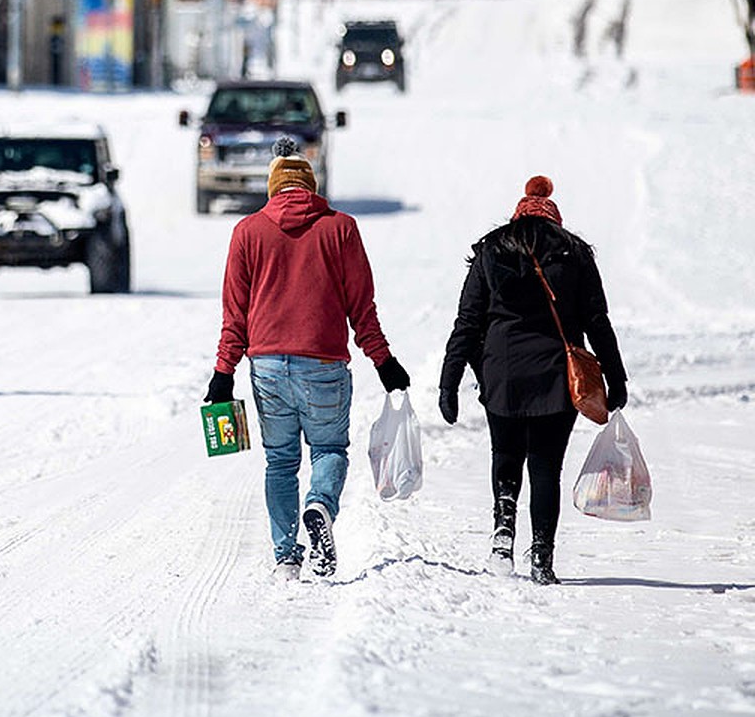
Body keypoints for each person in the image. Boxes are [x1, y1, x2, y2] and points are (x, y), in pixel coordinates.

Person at [205, 137, 410, 580]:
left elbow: (234, 313)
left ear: (273, 188)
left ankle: (286, 558)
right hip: (324, 364)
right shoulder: (341, 228)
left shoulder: (247, 232)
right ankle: (320, 504)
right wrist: (383, 361)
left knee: (279, 461)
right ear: (311, 187)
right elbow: (362, 306)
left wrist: (223, 372)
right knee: (329, 449)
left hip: (268, 367)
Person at [438, 176, 627, 585]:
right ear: (554, 218)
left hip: (501, 374)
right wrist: (616, 377)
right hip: (556, 377)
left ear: (518, 215)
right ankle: (542, 556)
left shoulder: (491, 250)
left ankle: (502, 538)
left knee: (505, 456)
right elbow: (597, 321)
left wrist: (448, 382)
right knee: (546, 467)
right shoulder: (574, 254)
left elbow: (468, 322)